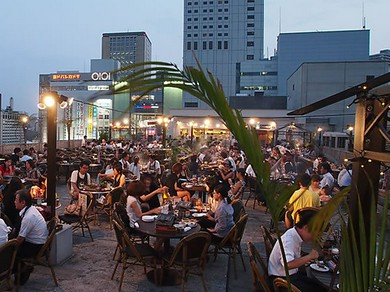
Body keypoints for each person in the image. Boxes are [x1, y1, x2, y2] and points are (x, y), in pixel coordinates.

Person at [268, 209, 327, 292]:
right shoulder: (289, 239)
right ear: (306, 227)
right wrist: (310, 256)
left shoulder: (295, 234)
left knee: (319, 286)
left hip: (290, 275)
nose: (314, 237)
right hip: (281, 281)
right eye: (315, 233)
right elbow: (287, 264)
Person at [14, 189, 48, 285]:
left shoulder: (29, 217)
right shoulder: (31, 209)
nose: (14, 202)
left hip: (36, 246)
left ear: (23, 202)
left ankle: (21, 274)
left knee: (11, 253)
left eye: (16, 200)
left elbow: (20, 240)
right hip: (37, 241)